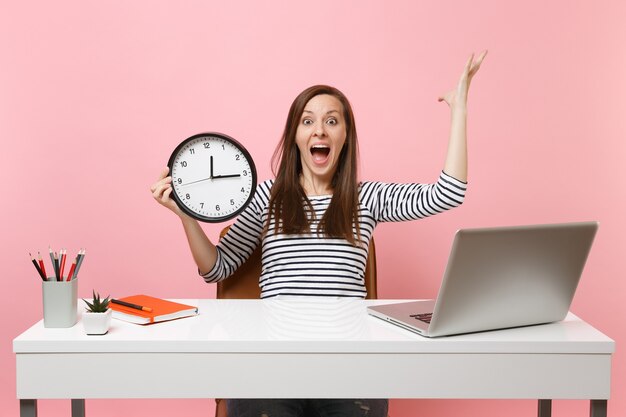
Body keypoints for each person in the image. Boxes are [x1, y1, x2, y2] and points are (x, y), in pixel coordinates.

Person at [150, 51, 486, 417]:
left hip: (349, 366)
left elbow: (448, 193)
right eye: (308, 121)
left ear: (345, 136)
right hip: (272, 365)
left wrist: (460, 110)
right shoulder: (267, 197)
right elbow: (217, 268)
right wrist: (185, 217)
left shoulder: (366, 199)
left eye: (331, 121)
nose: (319, 130)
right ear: (295, 135)